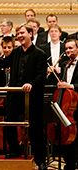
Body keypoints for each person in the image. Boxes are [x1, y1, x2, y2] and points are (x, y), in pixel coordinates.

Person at [0, 23, 47, 170]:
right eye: (18, 34)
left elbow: (41, 75)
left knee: (35, 128)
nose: (20, 36)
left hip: (31, 96)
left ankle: (40, 160)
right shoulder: (15, 52)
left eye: (22, 33)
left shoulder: (40, 53)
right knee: (9, 123)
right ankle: (14, 150)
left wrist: (31, 84)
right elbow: (0, 62)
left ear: (30, 34)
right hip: (15, 95)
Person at [57, 39, 78, 170]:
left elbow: (71, 85)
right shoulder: (65, 64)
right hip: (68, 106)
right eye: (66, 48)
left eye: (71, 48)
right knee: (68, 137)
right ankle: (69, 163)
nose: (68, 50)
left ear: (77, 49)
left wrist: (70, 86)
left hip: (77, 104)